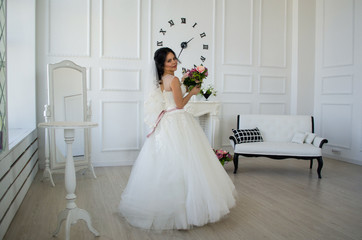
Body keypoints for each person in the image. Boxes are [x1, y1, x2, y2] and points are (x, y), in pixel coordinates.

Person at [119, 47, 236, 230]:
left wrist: (183, 84)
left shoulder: (161, 80)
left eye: (174, 59)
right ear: (162, 64)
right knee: (188, 162)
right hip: (178, 120)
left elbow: (168, 99)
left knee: (170, 162)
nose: (174, 62)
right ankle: (190, 209)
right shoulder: (173, 79)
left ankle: (166, 206)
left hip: (166, 121)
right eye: (169, 60)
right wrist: (192, 92)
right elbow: (180, 105)